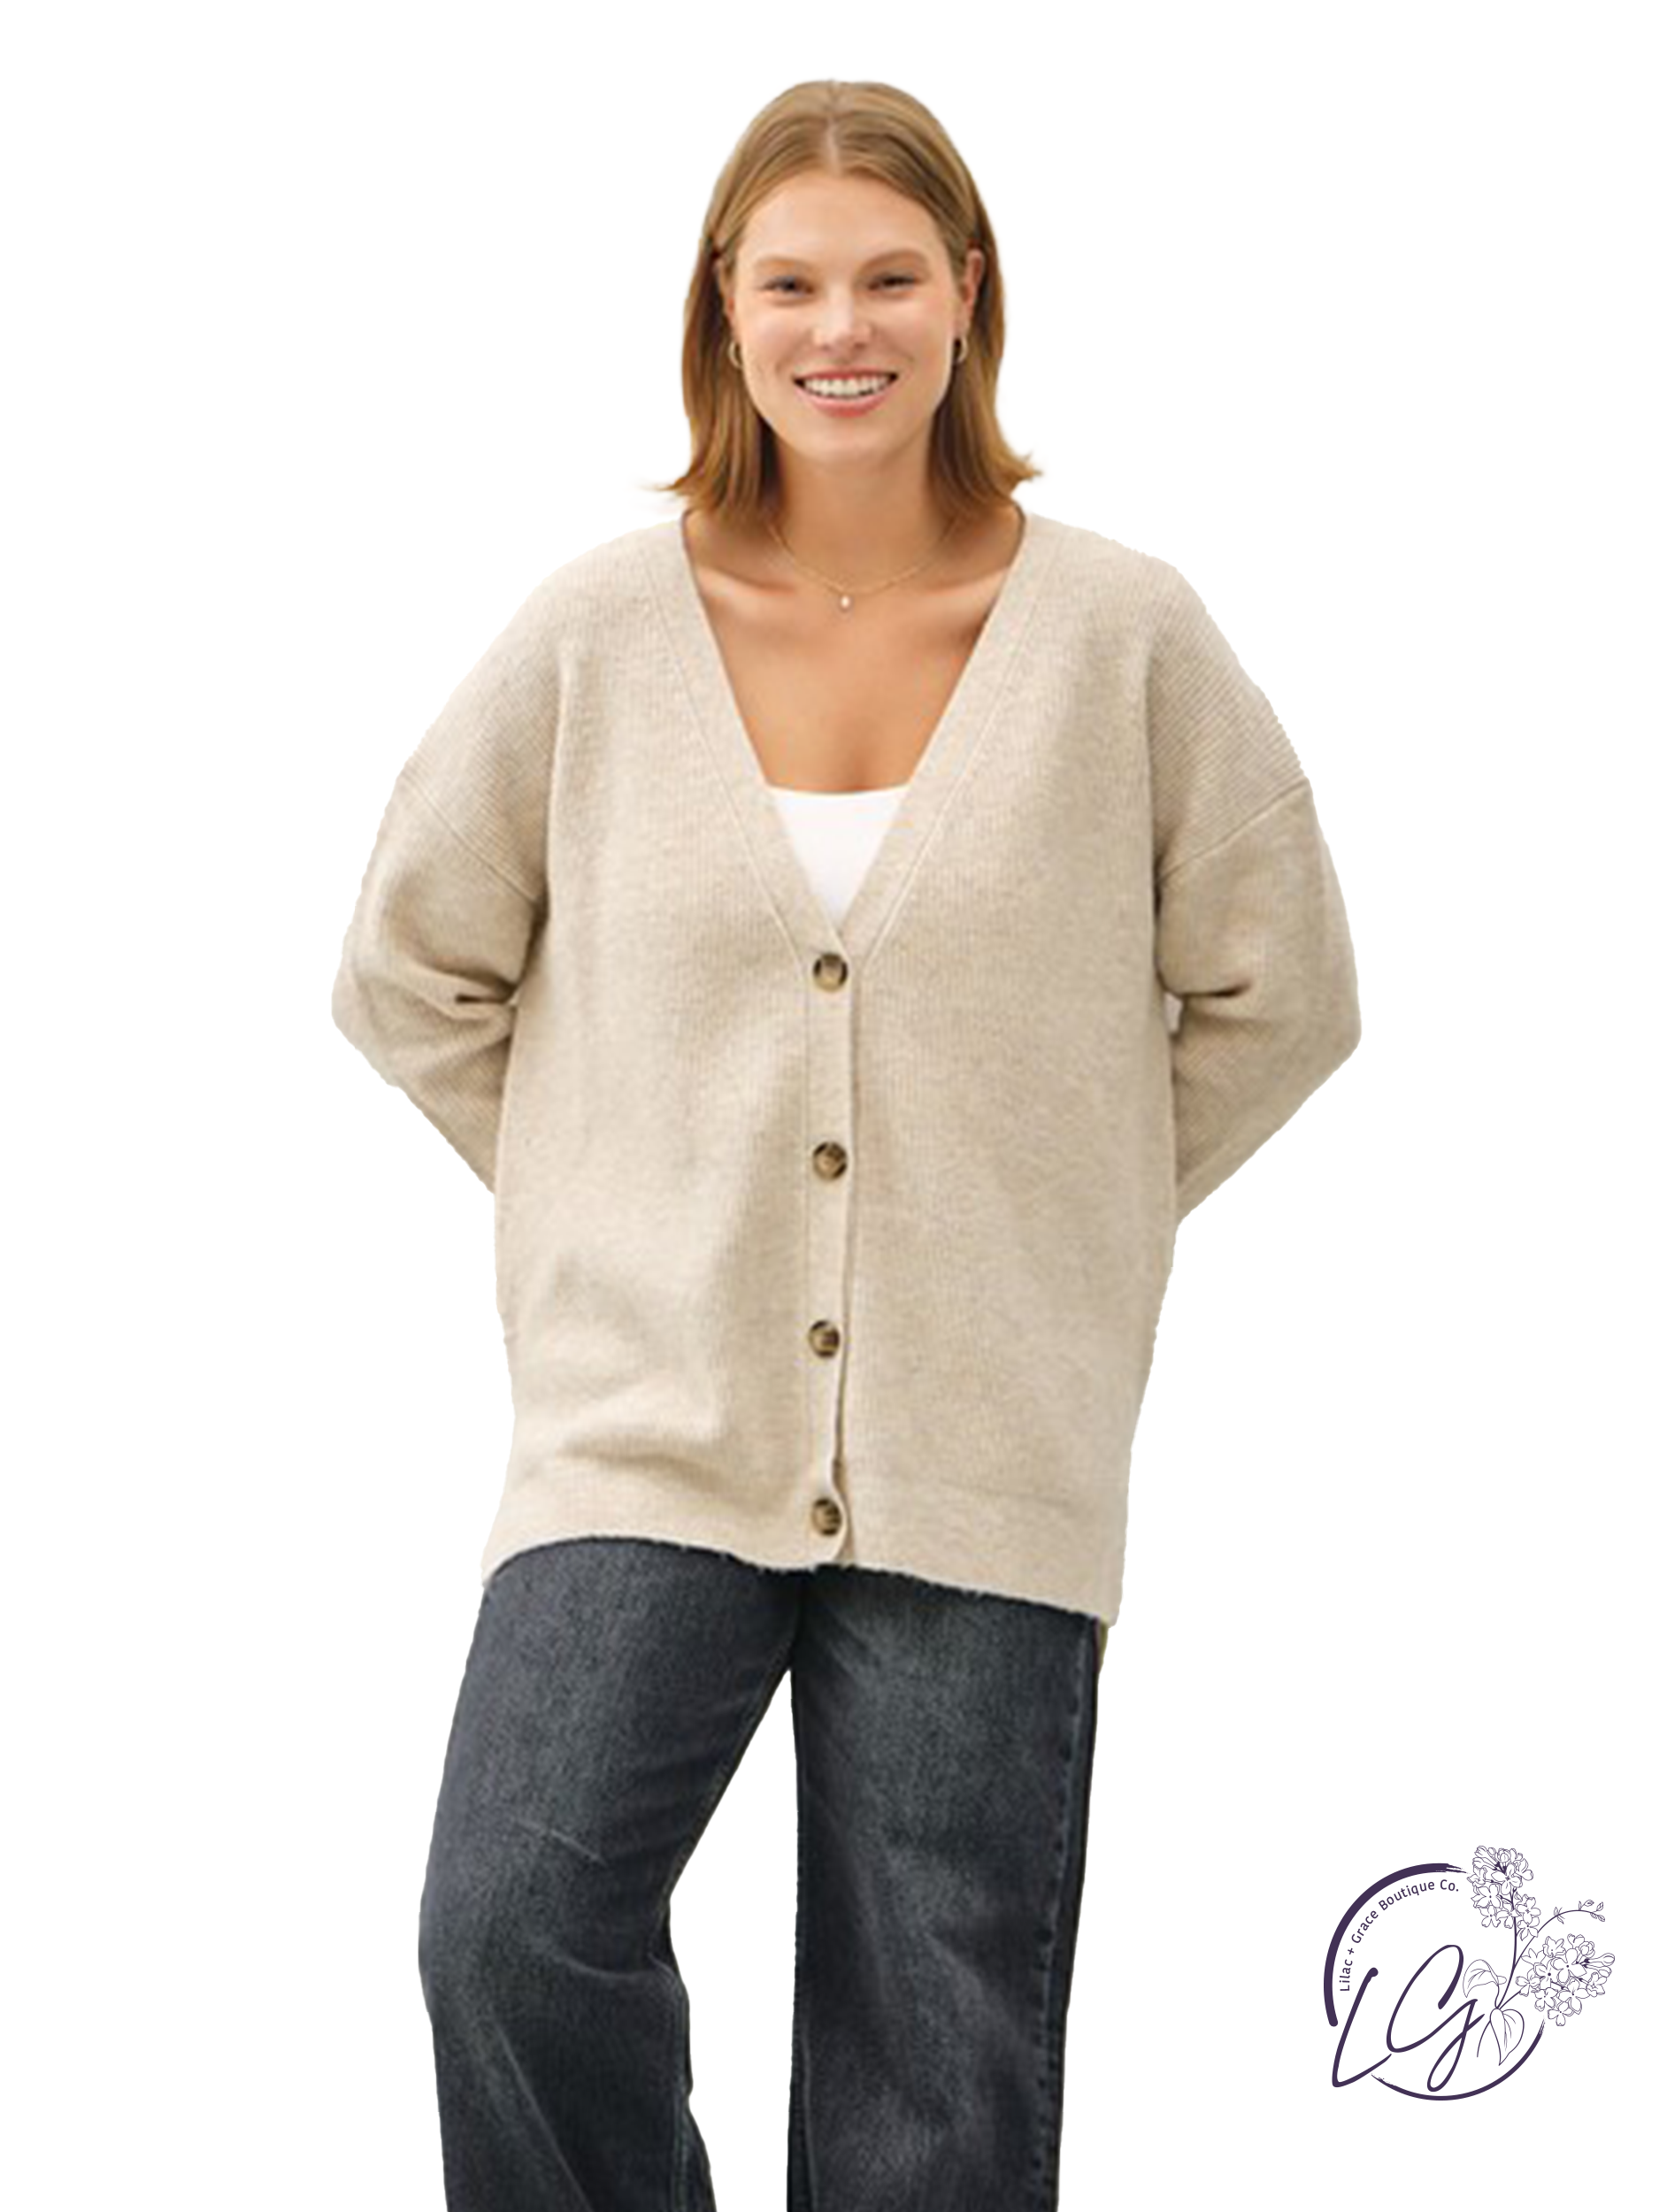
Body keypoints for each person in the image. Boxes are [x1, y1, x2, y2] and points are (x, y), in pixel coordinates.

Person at [330, 76, 1361, 2212]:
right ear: (723, 304)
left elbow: (1286, 993)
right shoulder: (599, 633)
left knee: (935, 2059)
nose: (842, 328)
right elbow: (409, 966)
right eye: (792, 282)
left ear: (969, 296)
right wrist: (628, 1207)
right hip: (642, 1422)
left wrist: (1035, 1221)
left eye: (891, 278)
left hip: (990, 1433)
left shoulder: (1125, 637)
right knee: (507, 1927)